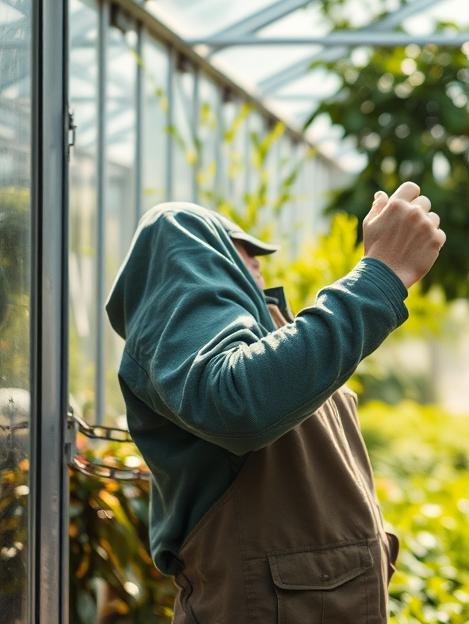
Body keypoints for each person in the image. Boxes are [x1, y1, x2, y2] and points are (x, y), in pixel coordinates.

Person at [105, 182, 444, 623]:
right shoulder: (178, 235)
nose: (257, 273)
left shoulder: (258, 341)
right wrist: (380, 274)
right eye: (242, 257)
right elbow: (235, 401)